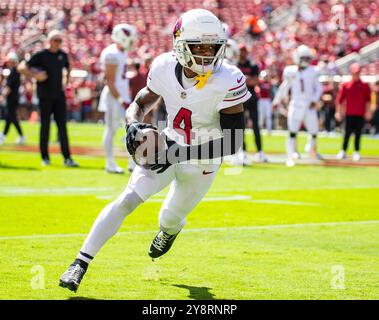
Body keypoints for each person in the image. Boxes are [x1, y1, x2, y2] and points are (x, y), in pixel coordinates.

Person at [59, 8, 250, 292]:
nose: (207, 54)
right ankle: (79, 262)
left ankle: (169, 232)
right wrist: (133, 125)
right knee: (127, 199)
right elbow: (138, 104)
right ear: (180, 44)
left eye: (213, 47)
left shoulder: (228, 78)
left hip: (203, 159)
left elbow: (232, 141)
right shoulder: (163, 67)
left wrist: (177, 153)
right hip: (167, 144)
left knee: (169, 218)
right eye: (199, 47)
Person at [18, 30, 78, 167]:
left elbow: (69, 67)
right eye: (55, 40)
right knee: (45, 126)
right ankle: (45, 157)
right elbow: (21, 67)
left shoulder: (62, 55)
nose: (58, 43)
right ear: (49, 41)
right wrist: (35, 75)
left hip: (59, 96)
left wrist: (66, 82)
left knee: (62, 127)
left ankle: (67, 158)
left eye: (60, 40)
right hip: (45, 96)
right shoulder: (41, 55)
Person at [272, 45, 323, 167]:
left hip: (309, 104)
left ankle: (312, 150)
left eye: (307, 57)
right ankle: (290, 155)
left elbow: (319, 88)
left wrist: (314, 100)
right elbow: (284, 87)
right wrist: (276, 100)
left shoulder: (314, 71)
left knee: (313, 130)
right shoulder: (291, 71)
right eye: (303, 57)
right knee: (292, 130)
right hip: (296, 103)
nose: (305, 60)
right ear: (297, 58)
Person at [98, 24, 137, 174]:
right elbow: (111, 82)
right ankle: (110, 162)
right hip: (114, 97)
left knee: (129, 128)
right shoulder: (111, 54)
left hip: (120, 95)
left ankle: (132, 162)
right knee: (112, 129)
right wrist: (122, 100)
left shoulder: (120, 52)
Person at [335, 63, 372, 161]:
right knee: (347, 133)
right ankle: (343, 150)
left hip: (360, 113)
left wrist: (368, 112)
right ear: (351, 73)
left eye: (358, 73)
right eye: (355, 73)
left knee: (358, 133)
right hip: (349, 113)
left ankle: (356, 151)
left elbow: (368, 101)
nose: (356, 75)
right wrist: (338, 112)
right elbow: (340, 100)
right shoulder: (346, 85)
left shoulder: (364, 86)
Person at [237, 43, 267, 163]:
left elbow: (254, 82)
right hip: (239, 98)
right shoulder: (235, 64)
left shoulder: (252, 65)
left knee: (256, 126)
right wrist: (246, 79)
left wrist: (242, 79)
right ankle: (242, 152)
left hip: (251, 98)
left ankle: (260, 152)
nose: (242, 53)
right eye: (241, 51)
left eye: (244, 50)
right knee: (241, 126)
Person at [0, 52, 26, 146]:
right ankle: (20, 136)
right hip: (13, 98)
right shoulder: (14, 71)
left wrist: (2, 96)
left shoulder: (14, 72)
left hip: (12, 98)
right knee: (11, 118)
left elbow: (9, 87)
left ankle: (3, 135)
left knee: (10, 117)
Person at [257, 70, 273, 134]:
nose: (266, 77)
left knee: (268, 115)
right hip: (261, 100)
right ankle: (259, 129)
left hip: (267, 100)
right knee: (261, 115)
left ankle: (269, 130)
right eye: (265, 76)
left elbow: (271, 92)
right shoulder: (260, 83)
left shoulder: (270, 83)